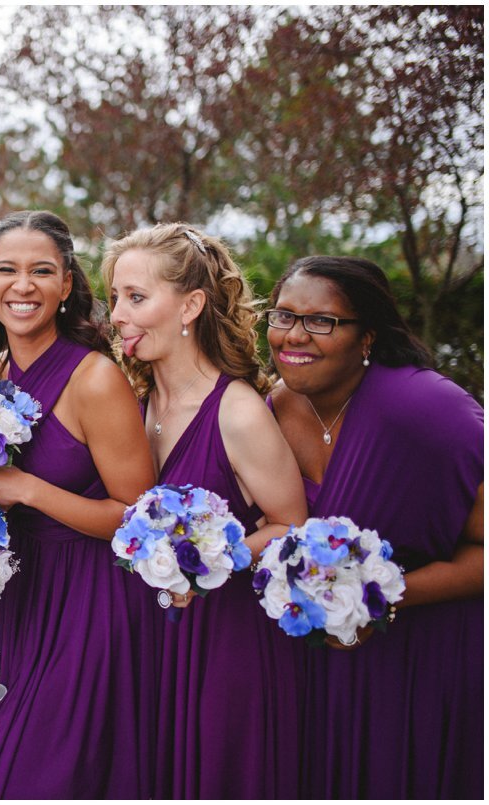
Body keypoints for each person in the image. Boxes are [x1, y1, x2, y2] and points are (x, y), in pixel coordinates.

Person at [266, 255, 483, 798]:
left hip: (420, 662)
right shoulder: (268, 409)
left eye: (322, 321)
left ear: (368, 338)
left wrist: (373, 597)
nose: (295, 335)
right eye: (283, 316)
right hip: (310, 676)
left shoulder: (427, 408)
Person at [103, 222, 308, 798]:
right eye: (116, 297)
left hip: (224, 647)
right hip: (145, 645)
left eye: (136, 297)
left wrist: (208, 561)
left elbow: (293, 523)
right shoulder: (134, 403)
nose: (117, 314)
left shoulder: (237, 411)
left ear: (190, 305)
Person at [0, 211, 157, 798]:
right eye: (8, 270)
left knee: (27, 779)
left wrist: (27, 488)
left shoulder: (95, 379)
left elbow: (138, 516)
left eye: (42, 271)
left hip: (85, 605)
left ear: (66, 285)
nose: (24, 286)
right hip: (12, 600)